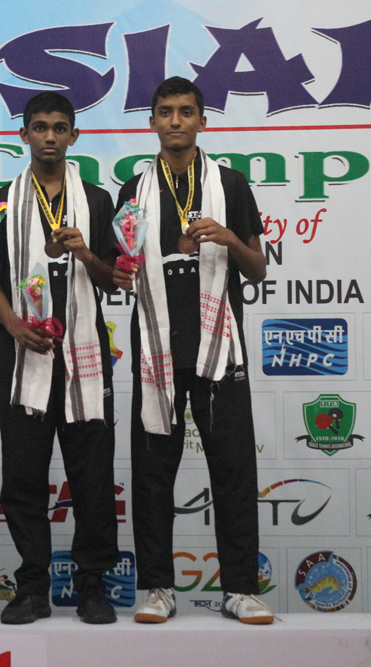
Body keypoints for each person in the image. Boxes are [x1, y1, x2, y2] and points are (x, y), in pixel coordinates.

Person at [112, 76, 273, 624]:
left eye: (186, 111)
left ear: (203, 120)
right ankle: (157, 587)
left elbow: (258, 268)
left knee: (233, 471)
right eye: (165, 112)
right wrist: (115, 268)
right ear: (152, 122)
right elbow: (121, 271)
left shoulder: (231, 183)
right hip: (156, 352)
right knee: (152, 475)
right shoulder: (133, 190)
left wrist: (228, 238)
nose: (175, 121)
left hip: (220, 351)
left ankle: (241, 589)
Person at [0, 92, 120, 625]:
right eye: (40, 127)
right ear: (24, 135)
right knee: (23, 478)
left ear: (74, 136)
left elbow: (115, 279)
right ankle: (33, 586)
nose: (50, 136)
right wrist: (14, 326)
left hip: (85, 357)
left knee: (92, 478)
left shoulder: (98, 201)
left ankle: (92, 586)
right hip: (23, 358)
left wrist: (84, 251)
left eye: (60, 127)